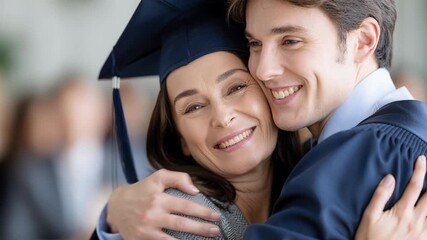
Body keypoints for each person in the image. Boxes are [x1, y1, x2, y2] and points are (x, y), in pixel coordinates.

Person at [94, 0, 427, 239]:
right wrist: (113, 216)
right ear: (177, 134)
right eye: (255, 43)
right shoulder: (179, 217)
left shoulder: (366, 153)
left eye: (291, 41)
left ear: (365, 40)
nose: (266, 70)